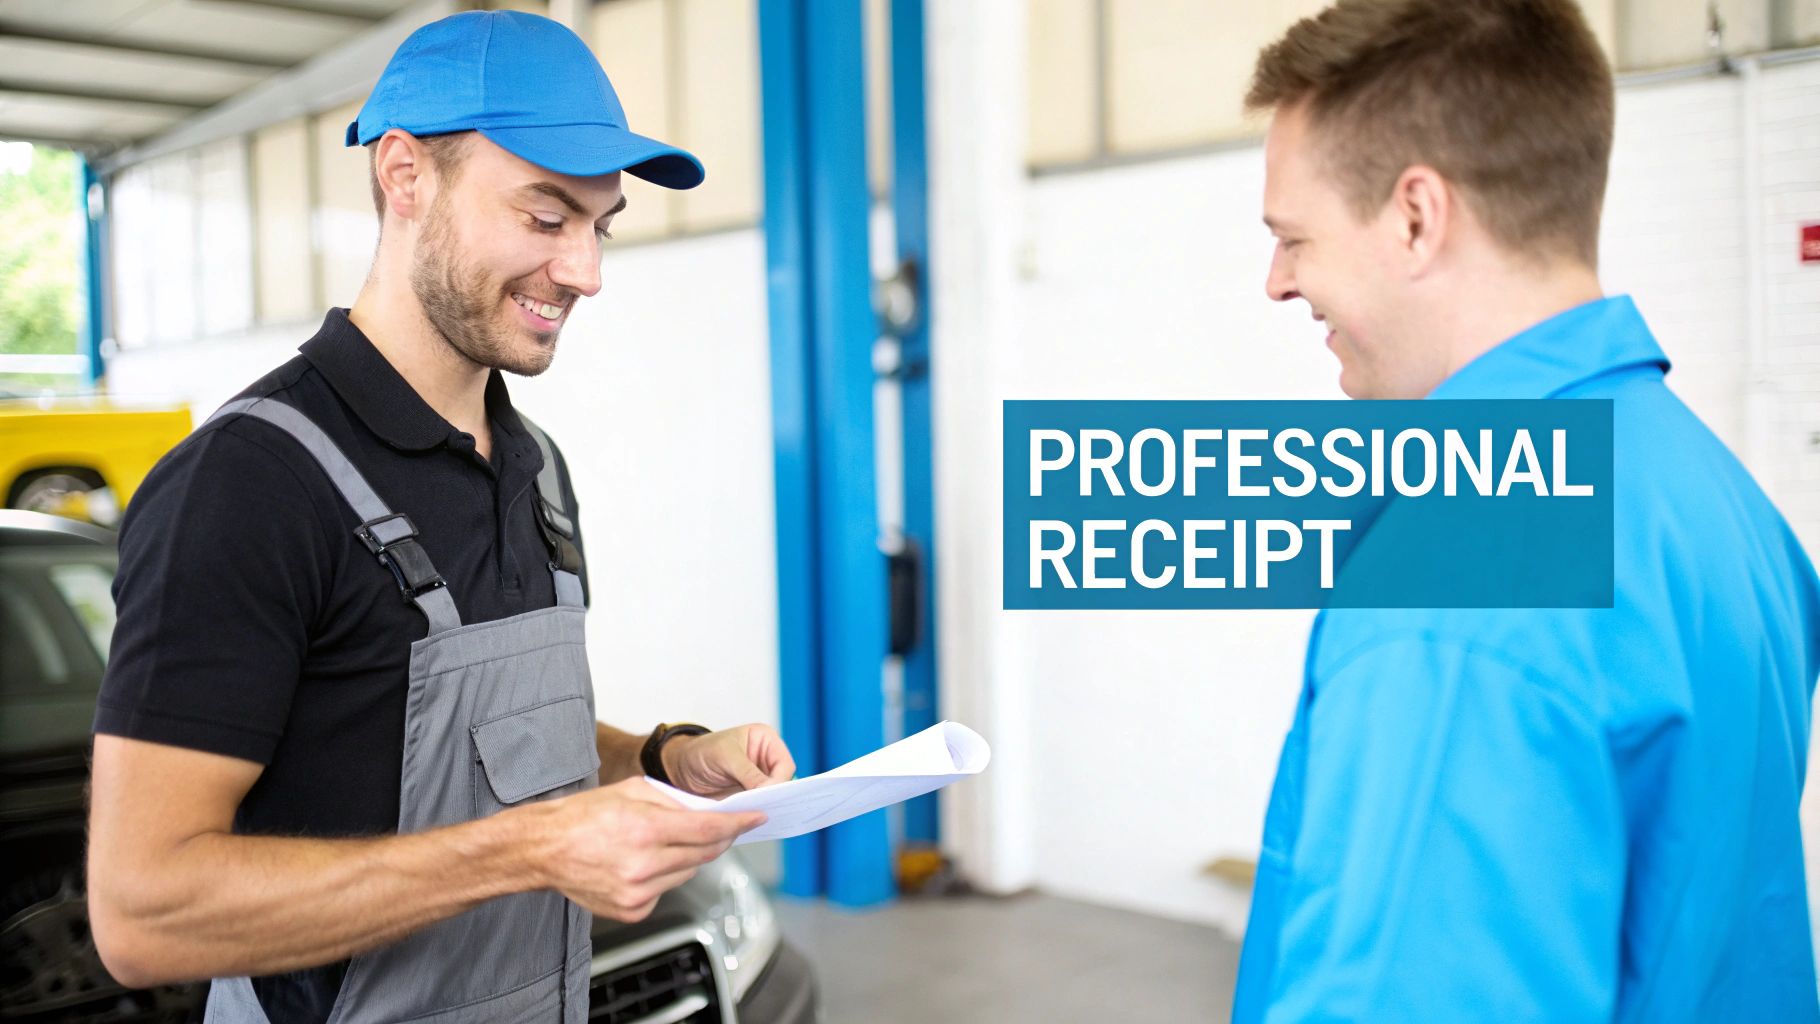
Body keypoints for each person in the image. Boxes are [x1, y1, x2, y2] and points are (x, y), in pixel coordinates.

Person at [85, 12, 791, 1024]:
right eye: (546, 219)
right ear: (405, 177)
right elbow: (140, 912)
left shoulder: (535, 469)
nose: (585, 271)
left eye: (601, 225)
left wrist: (659, 759)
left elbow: (468, 741)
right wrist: (525, 850)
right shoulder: (245, 487)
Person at [1236, 0, 1820, 1020]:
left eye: (1293, 238)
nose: (1277, 283)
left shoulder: (1463, 570)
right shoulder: (1712, 495)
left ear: (1416, 215)